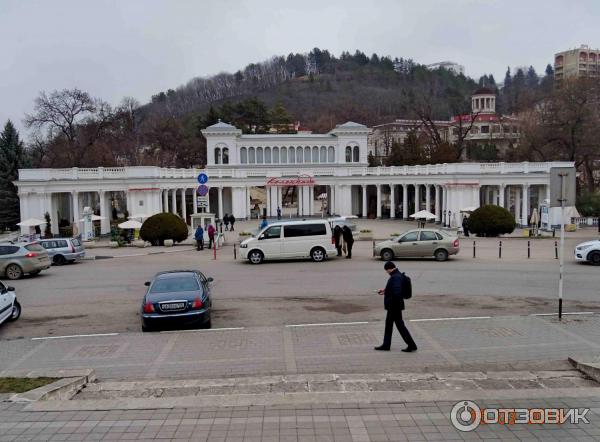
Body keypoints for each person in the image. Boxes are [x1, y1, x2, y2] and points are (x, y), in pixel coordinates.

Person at [374, 261, 417, 352]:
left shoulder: (395, 277)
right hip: (395, 306)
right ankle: (386, 344)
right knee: (389, 325)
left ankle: (411, 345)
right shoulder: (397, 275)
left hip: (394, 306)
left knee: (400, 326)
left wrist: (391, 300)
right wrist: (385, 291)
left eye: (387, 271)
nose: (387, 272)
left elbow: (397, 291)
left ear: (389, 268)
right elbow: (394, 289)